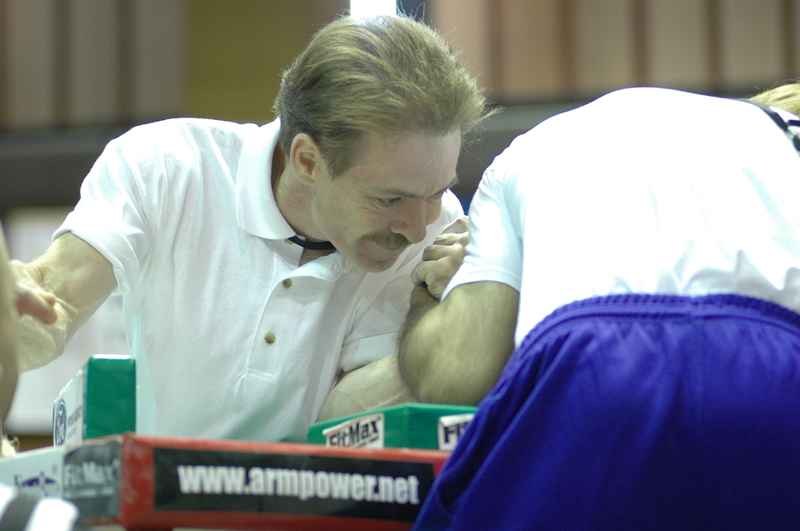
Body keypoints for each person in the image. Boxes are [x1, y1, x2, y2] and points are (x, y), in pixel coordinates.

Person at [9, 14, 487, 443]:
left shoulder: (442, 233)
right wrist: (10, 303)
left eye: (437, 191)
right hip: (161, 499)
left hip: (324, 502)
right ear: (307, 160)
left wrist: (451, 318)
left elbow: (345, 422)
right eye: (390, 199)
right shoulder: (166, 168)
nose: (417, 227)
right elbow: (49, 310)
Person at [401, 84, 800, 530]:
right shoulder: (786, 140)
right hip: (777, 370)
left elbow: (454, 376)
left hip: (594, 366)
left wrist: (427, 293)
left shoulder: (535, 146)